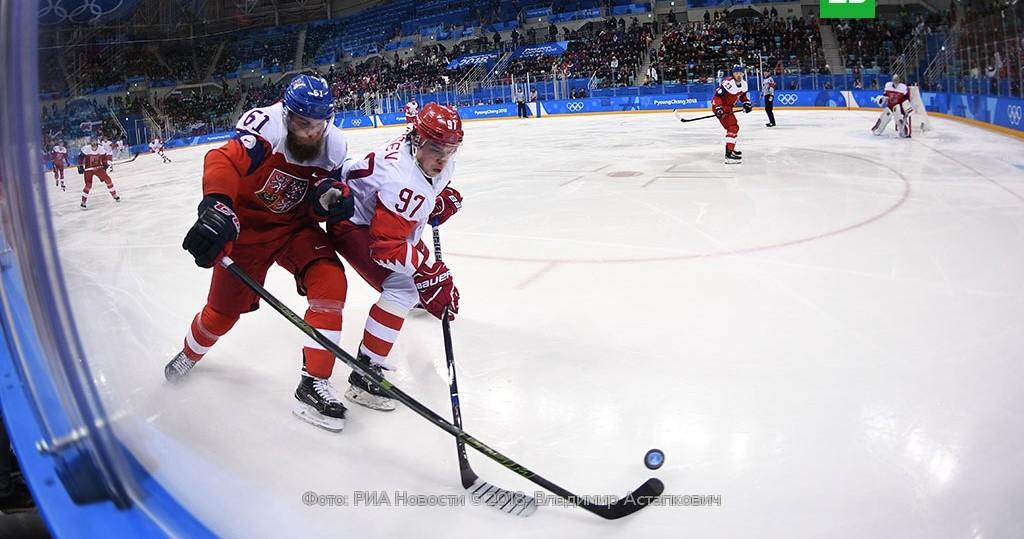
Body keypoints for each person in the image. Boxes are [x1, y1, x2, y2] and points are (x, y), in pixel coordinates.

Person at [164, 74, 356, 433]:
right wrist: (217, 206)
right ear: (287, 114)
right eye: (303, 122)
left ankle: (313, 382)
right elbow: (223, 160)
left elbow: (322, 191)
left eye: (319, 124)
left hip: (293, 230)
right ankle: (189, 354)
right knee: (220, 315)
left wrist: (328, 200)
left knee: (330, 281)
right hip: (248, 232)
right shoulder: (267, 124)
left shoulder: (335, 145)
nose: (312, 132)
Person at [328, 103, 463, 412]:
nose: (442, 160)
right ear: (416, 139)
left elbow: (420, 196)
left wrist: (435, 203)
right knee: (403, 287)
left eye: (450, 150)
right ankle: (365, 374)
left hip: (375, 213)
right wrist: (425, 272)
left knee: (416, 275)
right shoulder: (401, 178)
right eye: (435, 149)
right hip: (352, 224)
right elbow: (386, 248)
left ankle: (414, 293)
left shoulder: (422, 160)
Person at [712, 64, 753, 164]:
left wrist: (746, 103)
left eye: (740, 73)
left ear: (743, 73)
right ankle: (729, 154)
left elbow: (742, 96)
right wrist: (718, 108)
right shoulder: (728, 83)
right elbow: (716, 97)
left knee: (734, 127)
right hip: (721, 107)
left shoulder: (744, 84)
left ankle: (731, 148)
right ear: (733, 74)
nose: (738, 75)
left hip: (728, 108)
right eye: (736, 73)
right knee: (732, 127)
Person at [77, 137, 120, 209]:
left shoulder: (101, 149)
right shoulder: (87, 149)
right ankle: (83, 201)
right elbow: (80, 158)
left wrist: (105, 164)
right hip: (89, 169)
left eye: (95, 144)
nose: (94, 146)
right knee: (88, 185)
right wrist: (80, 166)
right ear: (90, 144)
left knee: (108, 179)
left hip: (98, 168)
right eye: (92, 144)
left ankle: (114, 195)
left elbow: (104, 158)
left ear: (97, 144)